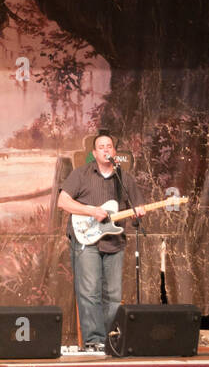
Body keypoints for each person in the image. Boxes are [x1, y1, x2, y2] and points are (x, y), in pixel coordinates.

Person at [57, 132, 145, 351]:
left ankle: (110, 340)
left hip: (114, 241)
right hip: (86, 239)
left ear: (114, 152)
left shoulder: (124, 179)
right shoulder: (81, 174)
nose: (106, 150)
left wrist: (138, 212)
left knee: (114, 294)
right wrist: (89, 210)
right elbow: (63, 201)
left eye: (109, 146)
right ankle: (94, 340)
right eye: (101, 147)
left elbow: (136, 206)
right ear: (94, 153)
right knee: (89, 291)